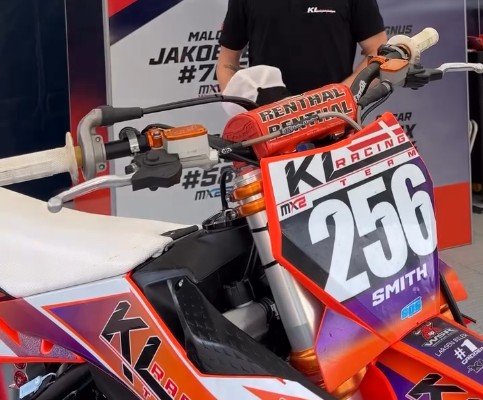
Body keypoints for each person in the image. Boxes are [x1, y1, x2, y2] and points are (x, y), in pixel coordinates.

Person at [217, 0, 387, 95]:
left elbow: (379, 51)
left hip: (336, 120)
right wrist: (242, 108)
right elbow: (227, 62)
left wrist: (341, 95)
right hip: (267, 126)